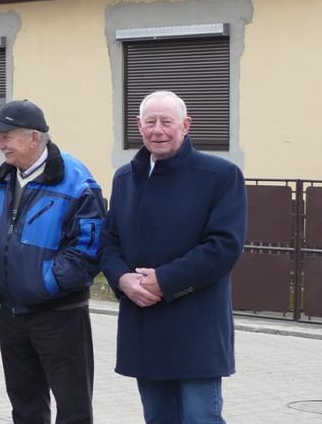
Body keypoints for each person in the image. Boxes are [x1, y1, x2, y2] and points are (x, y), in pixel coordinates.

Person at [101, 91, 245, 424]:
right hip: (144, 322)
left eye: (167, 122)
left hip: (196, 324)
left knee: (200, 417)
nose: (158, 130)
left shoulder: (221, 175)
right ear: (138, 125)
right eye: (150, 122)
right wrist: (123, 279)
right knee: (158, 417)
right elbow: (109, 242)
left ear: (186, 125)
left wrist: (164, 280)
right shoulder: (126, 178)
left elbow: (224, 247)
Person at [0, 100, 104, 424]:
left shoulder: (76, 180)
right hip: (13, 314)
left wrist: (45, 283)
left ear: (34, 138)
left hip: (59, 313)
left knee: (73, 408)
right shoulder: (2, 179)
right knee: (25, 407)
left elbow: (89, 248)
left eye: (6, 136)